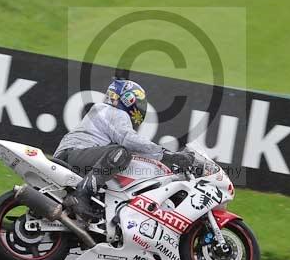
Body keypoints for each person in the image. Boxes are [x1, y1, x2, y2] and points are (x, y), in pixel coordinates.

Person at [52, 78, 193, 219]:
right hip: (72, 154)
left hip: (75, 155)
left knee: (123, 158)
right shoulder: (111, 111)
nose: (141, 108)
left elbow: (137, 148)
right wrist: (168, 155)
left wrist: (164, 160)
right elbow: (130, 140)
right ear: (128, 100)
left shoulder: (106, 112)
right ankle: (81, 195)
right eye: (139, 103)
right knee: (120, 153)